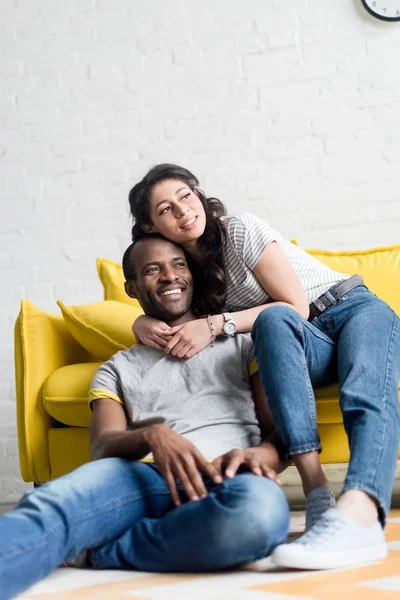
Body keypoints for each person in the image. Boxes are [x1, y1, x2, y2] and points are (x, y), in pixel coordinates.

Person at [128, 163, 400, 570]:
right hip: (307, 342)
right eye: (166, 209)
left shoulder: (238, 229)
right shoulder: (185, 275)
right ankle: (318, 498)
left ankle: (361, 513)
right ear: (151, 227)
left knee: (361, 388)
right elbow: (178, 317)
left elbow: (296, 305)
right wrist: (141, 321)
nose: (184, 210)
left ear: (199, 195)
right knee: (271, 321)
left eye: (186, 195)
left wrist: (217, 322)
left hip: (352, 309)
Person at [0, 235, 290, 600]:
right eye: (153, 270)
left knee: (258, 519)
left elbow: (281, 434)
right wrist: (153, 435)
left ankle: (100, 552)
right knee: (48, 506)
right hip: (142, 475)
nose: (170, 276)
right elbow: (102, 446)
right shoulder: (116, 369)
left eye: (178, 264)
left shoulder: (241, 345)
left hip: (226, 473)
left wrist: (258, 457)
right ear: (132, 288)